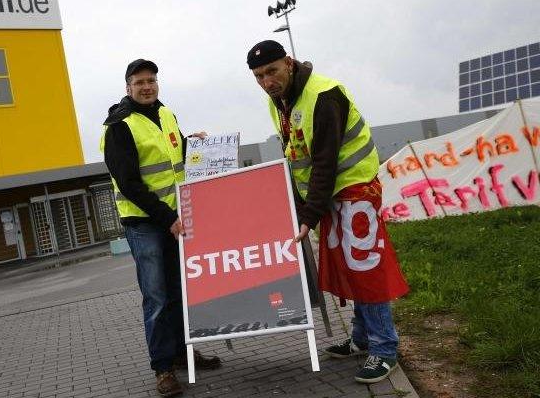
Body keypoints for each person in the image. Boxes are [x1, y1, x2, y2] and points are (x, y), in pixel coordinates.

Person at [246, 40, 409, 384]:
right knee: (348, 266)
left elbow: (324, 161)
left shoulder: (324, 95)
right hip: (328, 194)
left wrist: (309, 214)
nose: (267, 81)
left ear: (288, 63)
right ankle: (363, 338)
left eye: (272, 71)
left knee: (364, 265)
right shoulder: (279, 100)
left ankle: (384, 349)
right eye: (259, 76)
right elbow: (296, 152)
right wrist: (304, 205)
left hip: (353, 186)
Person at [100, 59, 221, 397]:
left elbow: (176, 156)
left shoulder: (167, 114)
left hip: (175, 220)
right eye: (139, 82)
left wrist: (195, 145)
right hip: (146, 225)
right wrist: (167, 218)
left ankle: (184, 353)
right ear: (128, 87)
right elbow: (130, 184)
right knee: (156, 297)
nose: (147, 86)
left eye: (151, 80)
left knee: (181, 292)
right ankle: (163, 369)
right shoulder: (119, 126)